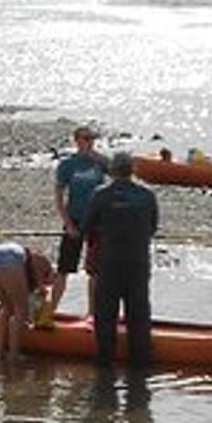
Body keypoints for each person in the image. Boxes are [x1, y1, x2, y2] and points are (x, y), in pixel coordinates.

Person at [79, 151, 158, 370]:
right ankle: (140, 367)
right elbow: (152, 228)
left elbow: (86, 227)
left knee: (105, 316)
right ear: (132, 171)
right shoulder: (147, 195)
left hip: (110, 264)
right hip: (138, 264)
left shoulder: (101, 195)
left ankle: (105, 365)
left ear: (112, 171)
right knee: (139, 316)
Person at [52, 124, 110, 313]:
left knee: (96, 271)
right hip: (75, 218)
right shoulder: (68, 164)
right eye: (86, 138)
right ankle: (50, 310)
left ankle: (92, 313)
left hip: (98, 221)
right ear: (77, 141)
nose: (90, 142)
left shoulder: (99, 162)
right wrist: (68, 224)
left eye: (92, 139)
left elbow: (121, 174)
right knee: (64, 268)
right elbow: (59, 198)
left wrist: (99, 158)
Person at [0, 240, 55, 364]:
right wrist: (42, 293)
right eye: (49, 282)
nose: (48, 284)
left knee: (7, 306)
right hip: (9, 259)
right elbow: (40, 289)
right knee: (21, 309)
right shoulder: (44, 263)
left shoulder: (27, 266)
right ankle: (14, 355)